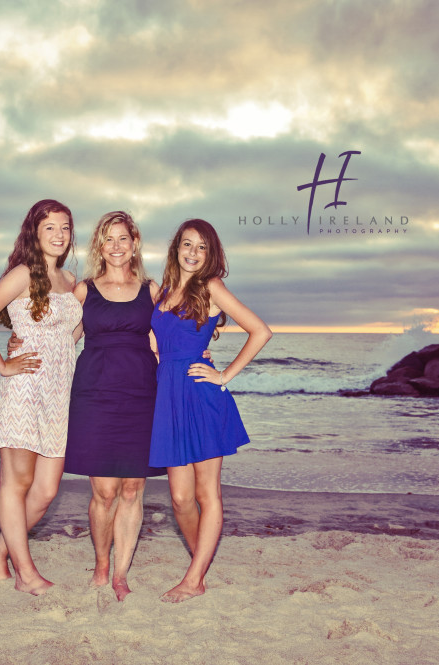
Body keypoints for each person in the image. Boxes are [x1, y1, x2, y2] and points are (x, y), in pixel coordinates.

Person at [149, 218, 272, 603]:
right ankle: (200, 564)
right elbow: (155, 343)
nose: (193, 253)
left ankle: (194, 577)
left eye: (202, 247)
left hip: (201, 396)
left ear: (211, 254)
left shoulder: (213, 288)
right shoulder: (162, 291)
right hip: (167, 398)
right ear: (176, 248)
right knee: (180, 499)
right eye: (187, 244)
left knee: (207, 493)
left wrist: (224, 375)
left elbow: (261, 331)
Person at [0, 199, 82, 595]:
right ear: (34, 231)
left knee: (46, 490)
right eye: (49, 227)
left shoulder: (70, 281)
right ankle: (25, 574)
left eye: (64, 227)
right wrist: (2, 364)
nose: (58, 235)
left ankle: (0, 551)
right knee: (17, 483)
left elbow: (73, 333)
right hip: (24, 389)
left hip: (59, 394)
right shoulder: (22, 274)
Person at [63, 211, 165, 601]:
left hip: (142, 395)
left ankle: (121, 573)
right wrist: (24, 348)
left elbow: (167, 336)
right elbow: (64, 338)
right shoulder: (84, 291)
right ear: (99, 246)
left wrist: (198, 350)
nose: (117, 246)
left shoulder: (151, 289)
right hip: (95, 395)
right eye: (109, 239)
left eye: (123, 238)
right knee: (104, 490)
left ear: (135, 243)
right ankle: (101, 563)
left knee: (133, 488)